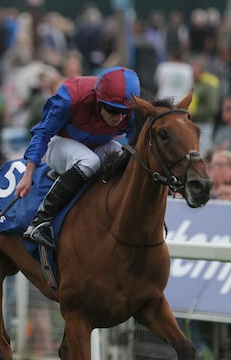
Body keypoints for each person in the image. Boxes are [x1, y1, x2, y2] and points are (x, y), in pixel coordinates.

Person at [19, 66, 141, 249]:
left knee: (122, 157)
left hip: (97, 145)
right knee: (90, 161)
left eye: (124, 112)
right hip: (59, 144)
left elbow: (135, 147)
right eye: (113, 111)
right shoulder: (70, 97)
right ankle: (41, 220)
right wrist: (28, 175)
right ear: (99, 101)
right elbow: (42, 133)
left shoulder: (129, 112)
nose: (119, 118)